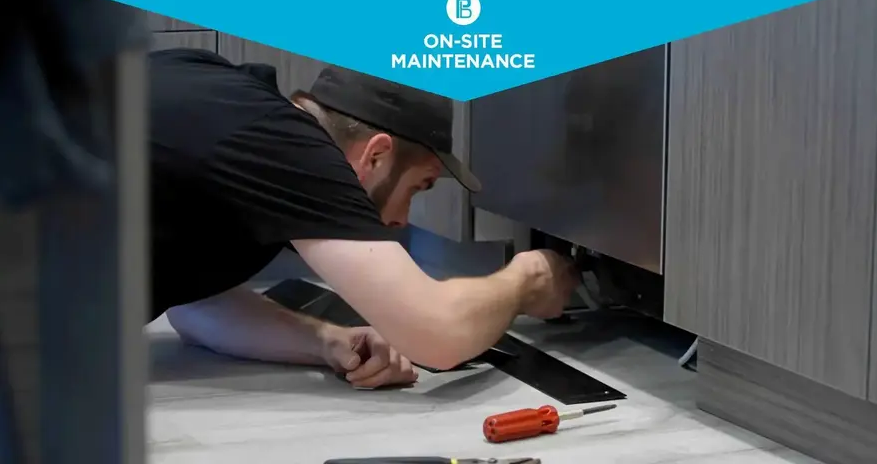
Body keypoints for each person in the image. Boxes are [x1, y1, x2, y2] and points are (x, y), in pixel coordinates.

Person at [149, 48, 578, 389]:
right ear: (375, 156)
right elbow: (438, 334)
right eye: (417, 187)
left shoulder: (219, 91)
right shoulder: (289, 147)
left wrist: (328, 341)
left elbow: (195, 308)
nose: (401, 220)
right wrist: (529, 278)